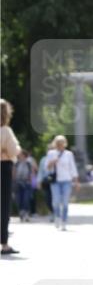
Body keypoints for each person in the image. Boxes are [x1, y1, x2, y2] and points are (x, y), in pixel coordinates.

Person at [44, 135, 79, 231]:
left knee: (65, 202)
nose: (60, 145)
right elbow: (46, 167)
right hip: (55, 181)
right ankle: (57, 217)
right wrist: (52, 162)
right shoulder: (51, 153)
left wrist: (76, 181)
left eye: (62, 143)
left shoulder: (69, 154)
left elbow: (72, 168)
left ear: (65, 143)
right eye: (58, 143)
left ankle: (64, 221)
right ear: (55, 144)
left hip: (66, 180)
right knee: (56, 201)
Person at [1, 99, 21, 254]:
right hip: (3, 167)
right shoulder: (5, 131)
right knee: (3, 205)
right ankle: (4, 244)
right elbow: (14, 151)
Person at [14, 149, 37, 223]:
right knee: (18, 199)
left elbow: (33, 173)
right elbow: (13, 172)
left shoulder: (29, 163)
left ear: (24, 155)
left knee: (26, 199)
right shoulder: (16, 163)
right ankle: (21, 212)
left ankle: (26, 213)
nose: (20, 156)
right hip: (18, 183)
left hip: (27, 183)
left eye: (21, 154)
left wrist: (32, 182)